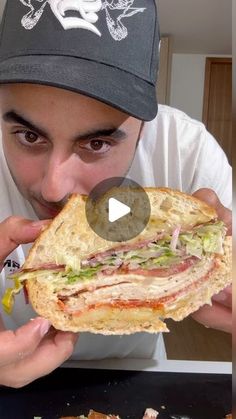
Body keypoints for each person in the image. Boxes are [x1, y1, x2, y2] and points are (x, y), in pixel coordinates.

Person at [0, 0, 232, 388]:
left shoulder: (186, 152)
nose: (54, 186)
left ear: (143, 129)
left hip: (141, 380)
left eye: (97, 143)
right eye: (29, 136)